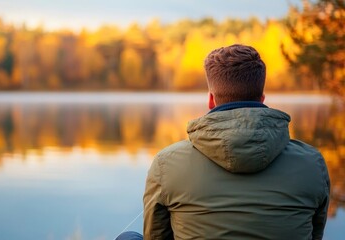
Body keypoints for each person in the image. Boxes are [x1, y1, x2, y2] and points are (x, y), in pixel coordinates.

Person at [116, 44, 330, 240]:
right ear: (262, 98)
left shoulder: (166, 162)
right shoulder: (313, 163)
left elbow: (156, 236)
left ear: (211, 99)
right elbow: (314, 234)